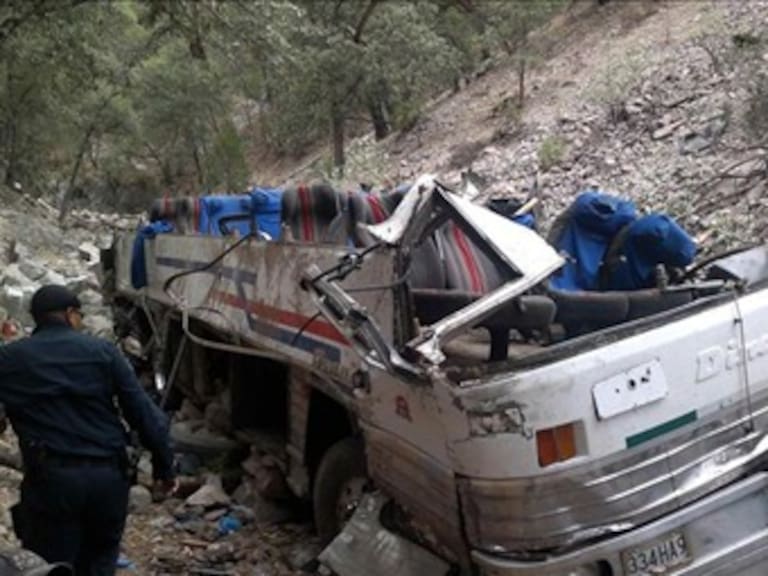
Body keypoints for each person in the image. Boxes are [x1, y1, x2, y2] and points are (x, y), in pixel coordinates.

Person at [0, 285, 175, 576]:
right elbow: (144, 414)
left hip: (51, 481)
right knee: (100, 564)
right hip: (107, 479)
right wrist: (164, 469)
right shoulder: (103, 352)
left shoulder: (10, 359)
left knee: (52, 567)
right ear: (70, 315)